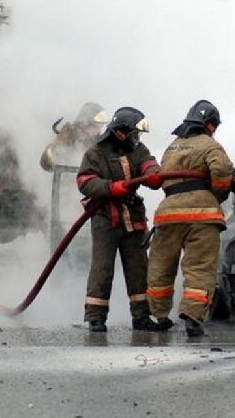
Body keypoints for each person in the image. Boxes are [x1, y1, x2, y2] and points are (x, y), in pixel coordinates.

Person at [145, 99, 235, 337]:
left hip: (168, 214)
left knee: (161, 265)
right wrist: (219, 194)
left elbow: (163, 177)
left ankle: (160, 316)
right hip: (201, 215)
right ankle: (193, 317)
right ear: (210, 124)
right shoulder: (210, 145)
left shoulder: (172, 146)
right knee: (199, 268)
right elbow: (222, 171)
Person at [76, 106, 162, 332]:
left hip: (132, 217)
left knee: (138, 267)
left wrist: (153, 172)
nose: (138, 138)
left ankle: (142, 317)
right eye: (135, 133)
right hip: (105, 217)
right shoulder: (96, 152)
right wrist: (111, 188)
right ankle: (96, 318)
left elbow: (148, 163)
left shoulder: (138, 149)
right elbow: (84, 181)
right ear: (122, 132)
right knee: (102, 267)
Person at [40, 102, 110, 171]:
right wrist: (59, 142)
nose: (98, 131)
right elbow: (46, 165)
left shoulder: (97, 143)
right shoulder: (66, 137)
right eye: (96, 127)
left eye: (100, 127)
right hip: (64, 180)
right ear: (84, 123)